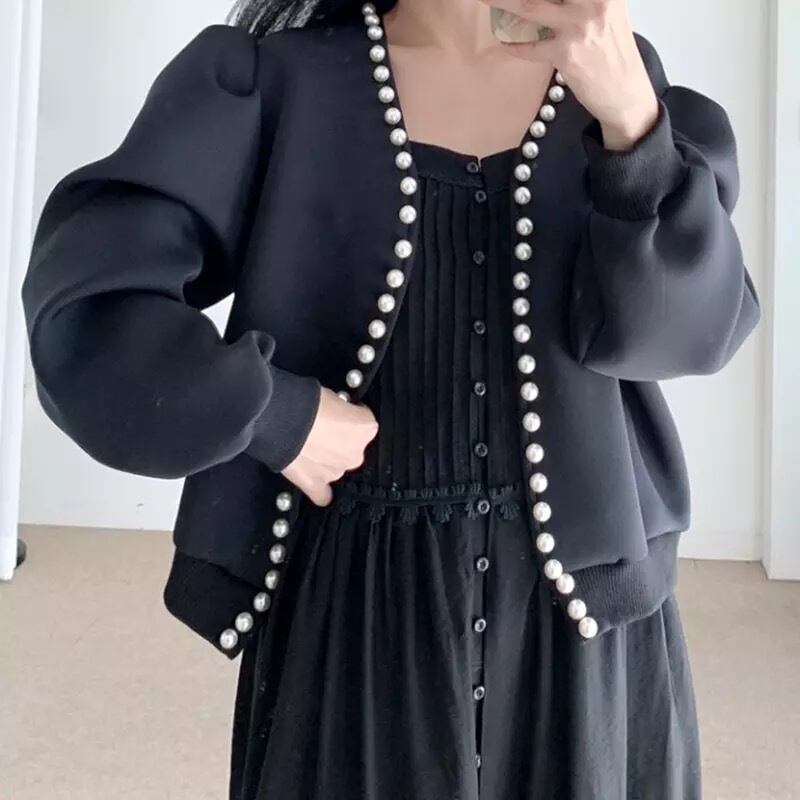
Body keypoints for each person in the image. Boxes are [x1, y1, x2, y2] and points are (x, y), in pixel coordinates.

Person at [21, 0, 760, 797]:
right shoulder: (275, 83)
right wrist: (273, 414)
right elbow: (86, 310)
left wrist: (633, 131)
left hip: (584, 630)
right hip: (355, 614)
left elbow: (692, 334)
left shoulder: (617, 80)